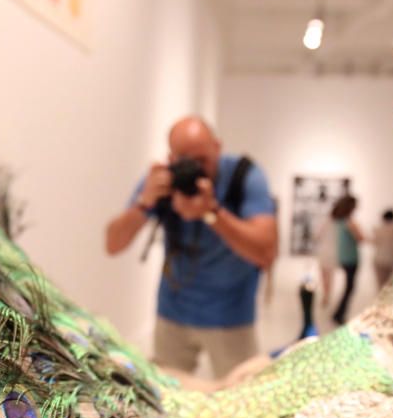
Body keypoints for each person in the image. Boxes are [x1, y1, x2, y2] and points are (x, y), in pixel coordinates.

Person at [104, 116, 278, 378]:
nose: (193, 170)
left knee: (240, 401)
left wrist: (212, 214)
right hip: (172, 313)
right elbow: (113, 244)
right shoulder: (161, 181)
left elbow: (266, 252)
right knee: (169, 401)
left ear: (217, 147)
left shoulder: (245, 176)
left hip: (230, 317)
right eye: (184, 160)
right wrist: (144, 202)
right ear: (171, 157)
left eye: (202, 161)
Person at [330, 195, 363, 325]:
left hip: (344, 256)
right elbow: (360, 238)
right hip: (351, 258)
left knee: (349, 287)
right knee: (350, 287)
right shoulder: (349, 222)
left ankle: (339, 313)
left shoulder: (340, 220)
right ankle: (339, 314)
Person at [372, 208, 393, 289]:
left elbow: (374, 242)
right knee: (389, 286)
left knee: (380, 286)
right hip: (390, 259)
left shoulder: (377, 229)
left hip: (378, 259)